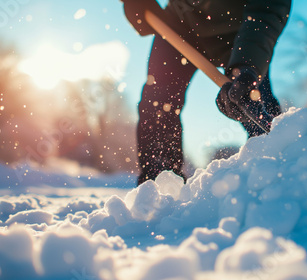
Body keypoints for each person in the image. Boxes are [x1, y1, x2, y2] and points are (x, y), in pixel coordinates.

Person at [122, 0, 292, 185]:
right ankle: (161, 182)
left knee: (254, 100)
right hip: (179, 24)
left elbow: (267, 9)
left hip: (242, 30)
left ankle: (278, 167)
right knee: (159, 101)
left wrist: (247, 66)